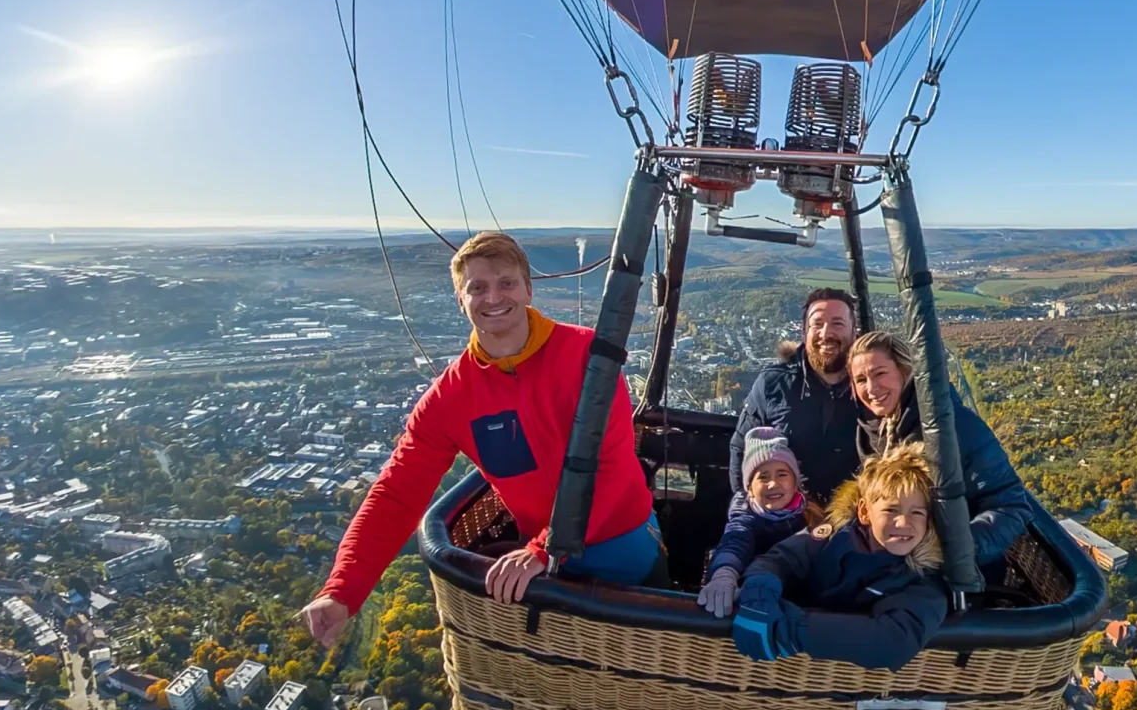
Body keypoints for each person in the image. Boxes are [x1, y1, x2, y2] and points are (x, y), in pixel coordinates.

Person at [302, 232, 661, 647]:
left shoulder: (588, 357)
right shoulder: (451, 397)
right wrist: (343, 589)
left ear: (528, 290)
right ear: (461, 300)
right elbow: (397, 493)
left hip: (620, 545)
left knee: (646, 654)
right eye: (477, 288)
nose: (493, 297)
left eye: (506, 283)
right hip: (540, 564)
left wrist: (545, 549)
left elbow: (610, 469)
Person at [729, 441, 949, 672]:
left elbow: (893, 640)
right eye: (891, 510)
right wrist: (760, 593)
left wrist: (793, 631)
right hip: (790, 671)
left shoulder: (923, 579)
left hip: (853, 679)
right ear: (864, 512)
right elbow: (781, 559)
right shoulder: (834, 537)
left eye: (917, 513)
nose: (903, 522)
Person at [846, 330, 1031, 571]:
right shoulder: (870, 432)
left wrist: (953, 553)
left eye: (880, 373)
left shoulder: (952, 427)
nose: (871, 388)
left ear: (905, 371)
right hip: (893, 567)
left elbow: (1010, 505)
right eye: (861, 380)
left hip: (953, 575)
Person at [729, 288, 862, 503]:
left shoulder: (872, 387)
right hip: (787, 514)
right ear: (804, 332)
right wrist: (748, 508)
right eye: (817, 324)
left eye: (837, 323)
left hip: (856, 514)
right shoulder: (774, 384)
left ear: (854, 331)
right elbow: (741, 448)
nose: (826, 333)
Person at [696, 427, 817, 618]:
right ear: (750, 489)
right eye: (763, 477)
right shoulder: (746, 518)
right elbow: (735, 541)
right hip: (754, 602)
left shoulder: (813, 515)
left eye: (782, 474)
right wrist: (725, 573)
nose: (773, 484)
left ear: (796, 483)